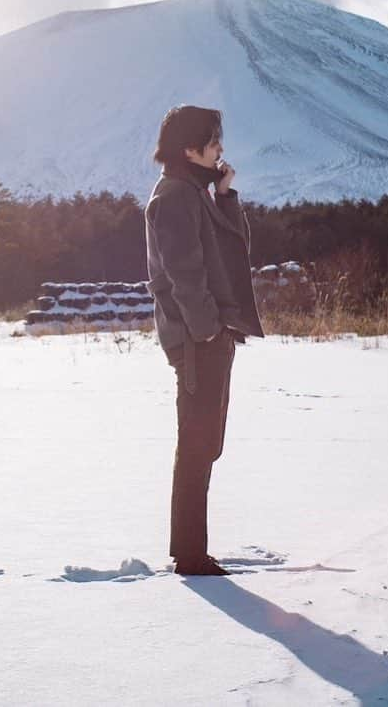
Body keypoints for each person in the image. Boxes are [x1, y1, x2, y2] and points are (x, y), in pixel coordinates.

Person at [144, 105, 264, 576]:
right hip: (198, 339)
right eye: (213, 141)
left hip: (209, 334)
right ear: (190, 149)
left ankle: (191, 551)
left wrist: (225, 195)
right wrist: (206, 327)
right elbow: (182, 275)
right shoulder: (173, 196)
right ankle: (190, 556)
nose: (221, 149)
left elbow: (234, 251)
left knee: (206, 442)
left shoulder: (193, 193)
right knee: (196, 443)